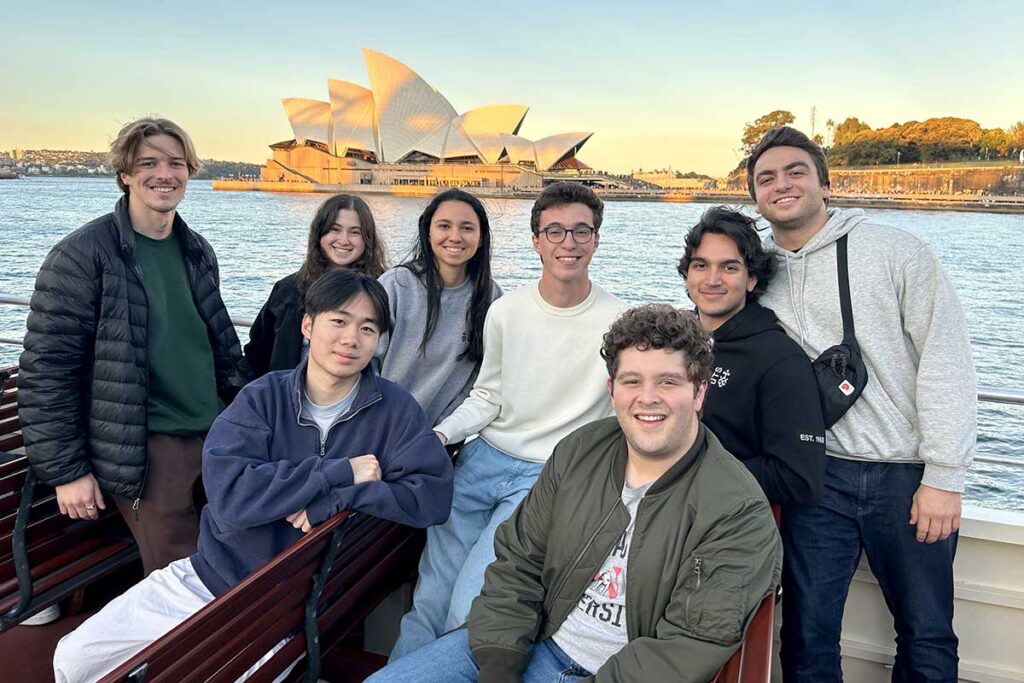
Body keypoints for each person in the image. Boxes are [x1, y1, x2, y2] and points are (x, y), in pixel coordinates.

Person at [52, 270, 455, 683]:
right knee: (74, 659)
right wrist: (340, 471)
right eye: (339, 321)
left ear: (377, 341)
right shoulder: (263, 398)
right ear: (308, 324)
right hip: (213, 575)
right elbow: (230, 495)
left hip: (285, 607)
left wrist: (340, 497)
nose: (351, 338)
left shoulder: (394, 410)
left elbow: (433, 497)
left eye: (367, 328)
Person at [368, 305, 782, 682]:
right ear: (612, 389)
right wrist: (499, 664)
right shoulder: (581, 451)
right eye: (632, 380)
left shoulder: (736, 510)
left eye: (668, 381)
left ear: (699, 391)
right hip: (524, 644)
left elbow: (686, 646)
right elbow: (518, 562)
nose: (648, 398)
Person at [748, 126, 976, 681]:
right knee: (806, 633)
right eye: (766, 178)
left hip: (906, 477)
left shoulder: (896, 252)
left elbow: (946, 358)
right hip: (815, 477)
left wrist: (945, 475)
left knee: (926, 632)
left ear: (826, 184)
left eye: (796, 171)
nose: (782, 185)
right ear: (753, 195)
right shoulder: (756, 270)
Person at [390, 182, 627, 659]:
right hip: (481, 461)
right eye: (555, 231)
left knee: (469, 603)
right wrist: (440, 433)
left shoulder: (619, 322)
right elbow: (488, 396)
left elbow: (626, 412)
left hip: (544, 479)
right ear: (536, 240)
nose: (569, 243)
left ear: (597, 240)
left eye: (582, 231)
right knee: (429, 597)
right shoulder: (505, 311)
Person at [19, 117, 246, 577]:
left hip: (213, 435)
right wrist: (66, 471)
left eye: (176, 163)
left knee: (240, 559)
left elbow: (219, 348)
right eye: (149, 163)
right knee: (183, 581)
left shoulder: (196, 250)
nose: (165, 173)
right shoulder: (82, 255)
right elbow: (47, 371)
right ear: (124, 173)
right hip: (146, 450)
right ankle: (179, 653)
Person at [678, 206, 825, 505]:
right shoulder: (672, 343)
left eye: (729, 268)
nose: (712, 280)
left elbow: (798, 478)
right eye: (701, 265)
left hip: (730, 521)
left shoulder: (779, 360)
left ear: (752, 280)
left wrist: (691, 475)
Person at [376, 189, 501, 426]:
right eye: (444, 226)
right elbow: (367, 359)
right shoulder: (396, 285)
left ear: (481, 237)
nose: (455, 236)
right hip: (375, 424)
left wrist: (443, 429)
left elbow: (482, 380)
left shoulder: (492, 298)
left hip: (437, 436)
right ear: (428, 231)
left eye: (467, 228)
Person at [243, 193, 387, 378]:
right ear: (319, 234)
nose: (344, 240)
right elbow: (257, 354)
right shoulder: (289, 291)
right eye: (334, 229)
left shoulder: (382, 291)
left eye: (355, 232)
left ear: (367, 239)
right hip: (288, 399)